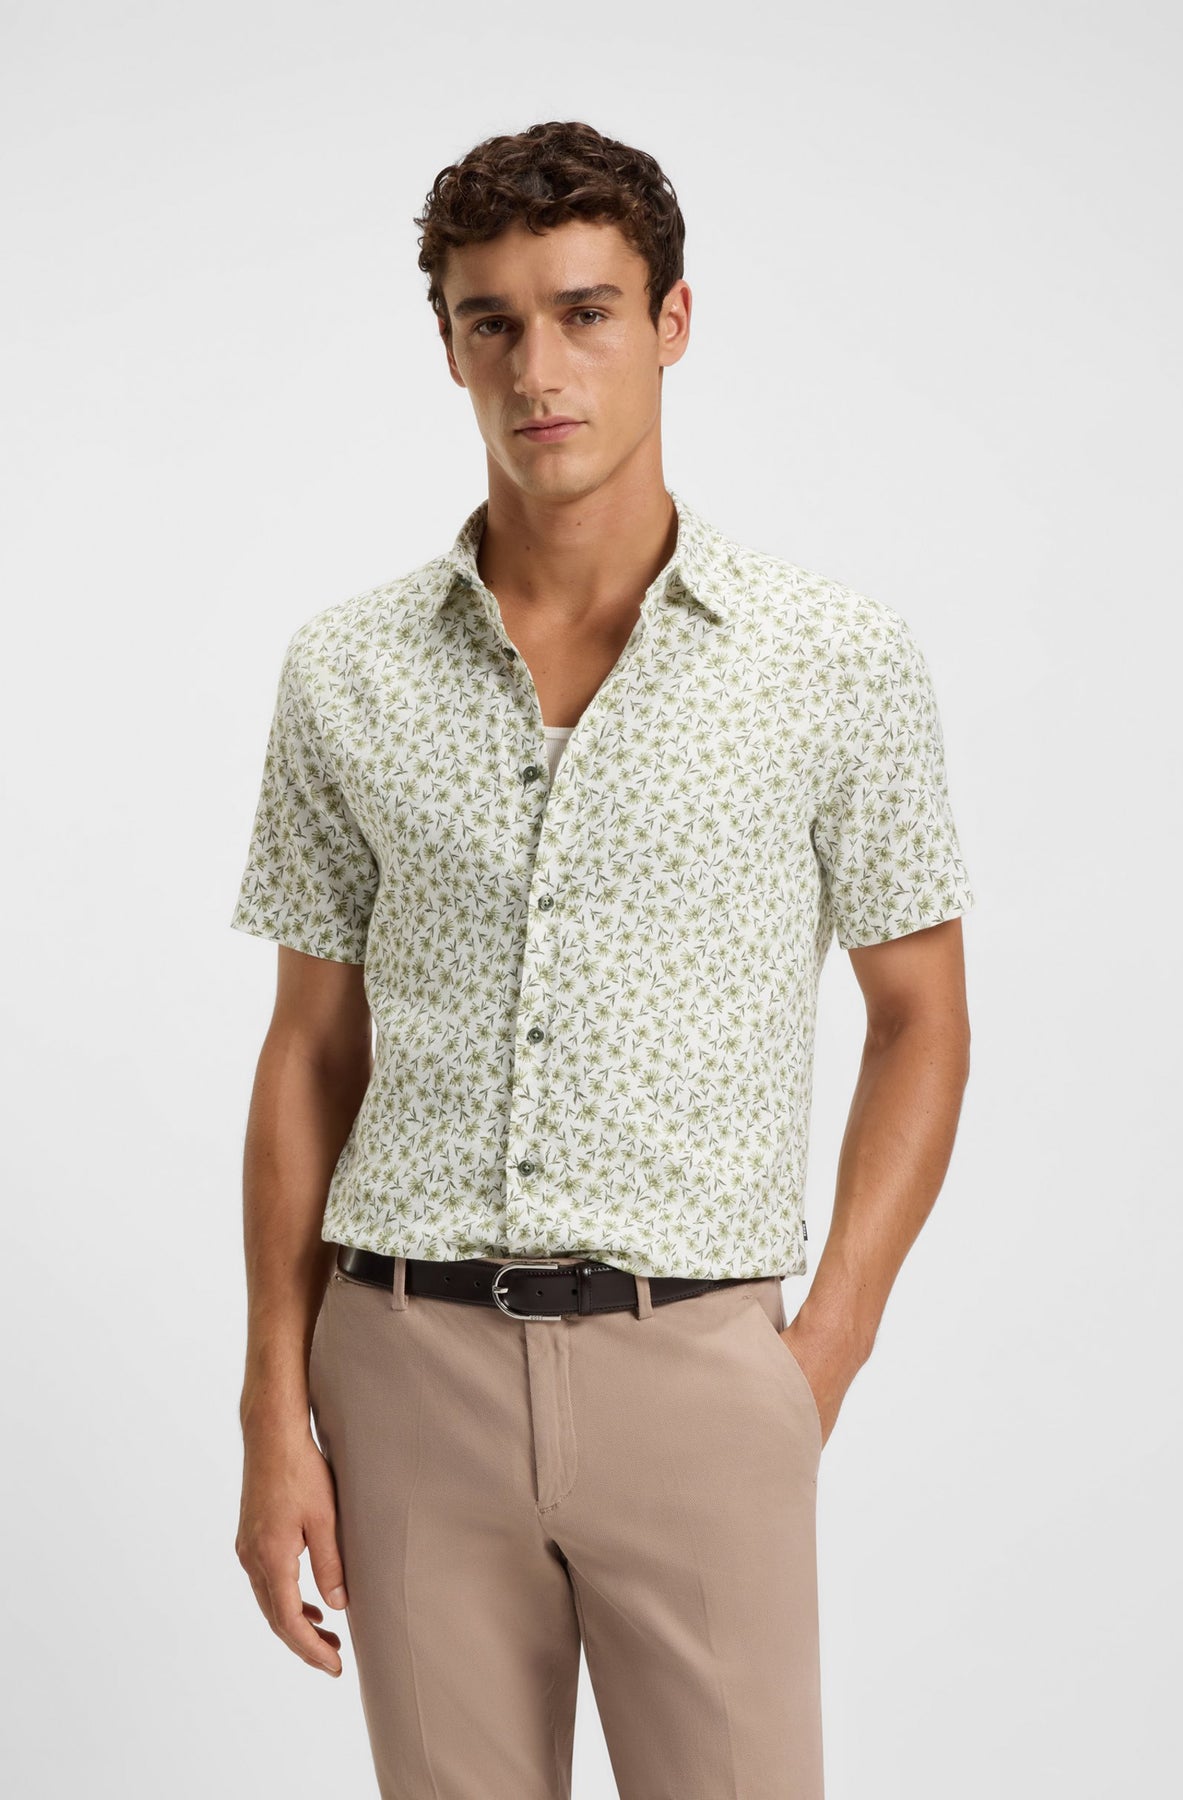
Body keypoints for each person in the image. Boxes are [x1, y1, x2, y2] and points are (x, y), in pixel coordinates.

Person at [230, 118, 975, 1800]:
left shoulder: (829, 658)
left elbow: (922, 1018)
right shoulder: (344, 671)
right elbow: (309, 1052)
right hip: (404, 1367)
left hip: (699, 1366)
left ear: (672, 321)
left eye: (584, 313)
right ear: (448, 348)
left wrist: (823, 1351)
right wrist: (273, 1406)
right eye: (491, 322)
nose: (538, 369)